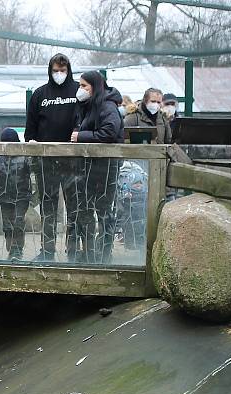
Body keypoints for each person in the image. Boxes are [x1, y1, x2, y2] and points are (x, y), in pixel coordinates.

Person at [25, 53, 80, 261]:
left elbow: (82, 121)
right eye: (56, 70)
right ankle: (47, 250)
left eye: (63, 71)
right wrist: (32, 143)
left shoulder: (78, 91)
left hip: (72, 161)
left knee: (73, 207)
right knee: (48, 207)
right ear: (50, 71)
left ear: (68, 70)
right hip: (45, 161)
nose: (59, 74)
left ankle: (73, 250)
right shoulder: (40, 94)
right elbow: (30, 128)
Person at [70, 70, 124, 264]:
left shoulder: (107, 106)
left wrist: (81, 136)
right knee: (85, 212)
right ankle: (90, 253)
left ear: (95, 86)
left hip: (105, 169)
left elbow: (110, 132)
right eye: (79, 85)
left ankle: (104, 255)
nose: (80, 89)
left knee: (104, 213)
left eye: (84, 86)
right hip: (89, 169)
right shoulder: (88, 106)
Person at [0, 128, 33, 261]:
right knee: (8, 225)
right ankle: (11, 248)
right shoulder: (0, 157)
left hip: (21, 196)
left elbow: (33, 166)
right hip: (5, 195)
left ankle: (17, 251)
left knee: (18, 222)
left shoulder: (24, 156)